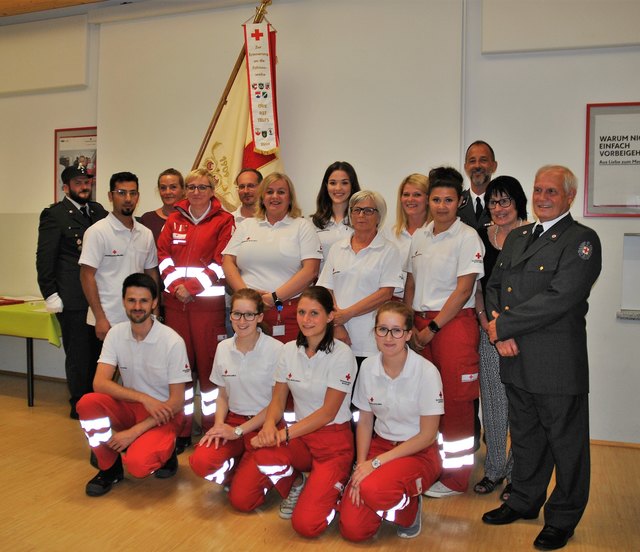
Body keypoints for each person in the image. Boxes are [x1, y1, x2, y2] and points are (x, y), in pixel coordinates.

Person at [482, 166, 602, 551]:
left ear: (569, 195)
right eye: (538, 190)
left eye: (552, 191)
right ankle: (523, 501)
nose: (543, 197)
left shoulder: (581, 240)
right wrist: (498, 332)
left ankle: (563, 518)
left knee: (567, 445)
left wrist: (505, 328)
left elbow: (560, 297)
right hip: (514, 357)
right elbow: (494, 285)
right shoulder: (517, 237)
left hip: (555, 362)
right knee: (528, 436)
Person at [236, 286, 356, 539]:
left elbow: (327, 413)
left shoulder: (343, 354)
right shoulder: (289, 349)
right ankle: (298, 482)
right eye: (302, 312)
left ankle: (334, 486)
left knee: (306, 525)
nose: (306, 320)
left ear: (330, 316)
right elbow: (278, 400)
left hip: (333, 441)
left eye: (314, 313)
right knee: (242, 499)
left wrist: (281, 435)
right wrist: (269, 426)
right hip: (301, 437)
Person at [404, 166, 484, 498]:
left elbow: (464, 290)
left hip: (452, 325)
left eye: (448, 200)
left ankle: (456, 478)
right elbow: (410, 282)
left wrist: (433, 328)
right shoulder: (420, 235)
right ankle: (434, 466)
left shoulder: (467, 237)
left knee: (456, 403)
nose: (441, 206)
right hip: (420, 323)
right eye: (435, 199)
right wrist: (410, 323)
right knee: (427, 401)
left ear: (459, 201)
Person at [77, 273, 191, 496]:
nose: (137, 306)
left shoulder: (172, 341)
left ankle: (165, 455)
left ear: (154, 303)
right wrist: (143, 398)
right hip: (132, 407)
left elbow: (177, 402)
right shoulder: (116, 334)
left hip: (164, 414)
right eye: (131, 300)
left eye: (144, 301)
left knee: (139, 467)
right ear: (123, 302)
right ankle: (109, 468)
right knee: (87, 403)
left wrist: (133, 433)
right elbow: (99, 383)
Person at [339, 301, 443, 541]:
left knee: (373, 490)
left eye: (397, 330)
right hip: (381, 447)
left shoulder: (426, 372)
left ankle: (409, 508)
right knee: (354, 530)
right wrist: (360, 466)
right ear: (374, 332)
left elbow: (427, 435)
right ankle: (382, 497)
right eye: (382, 329)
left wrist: (374, 466)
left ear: (408, 334)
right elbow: (365, 421)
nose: (388, 337)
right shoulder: (367, 367)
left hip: (418, 452)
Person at [157, 168, 235, 452]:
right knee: (181, 372)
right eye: (191, 187)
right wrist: (176, 285)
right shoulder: (174, 219)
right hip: (176, 307)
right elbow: (162, 256)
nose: (196, 192)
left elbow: (220, 261)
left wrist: (190, 287)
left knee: (209, 374)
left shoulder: (225, 221)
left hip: (207, 309)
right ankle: (181, 431)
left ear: (213, 190)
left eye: (202, 187)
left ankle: (212, 429)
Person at [189, 288, 283, 502]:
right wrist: (219, 425)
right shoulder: (223, 347)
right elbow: (222, 394)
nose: (242, 321)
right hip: (233, 421)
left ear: (259, 317)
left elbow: (276, 404)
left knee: (243, 501)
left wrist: (239, 431)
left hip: (264, 425)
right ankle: (239, 470)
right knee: (200, 461)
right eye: (236, 314)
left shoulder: (277, 350)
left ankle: (267, 473)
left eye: (249, 314)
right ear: (230, 315)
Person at [36, 165, 108, 419]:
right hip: (73, 297)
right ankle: (79, 404)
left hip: (99, 295)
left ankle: (97, 400)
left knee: (99, 352)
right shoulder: (55, 215)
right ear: (66, 187)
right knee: (79, 354)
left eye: (87, 182)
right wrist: (50, 294)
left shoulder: (98, 211)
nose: (84, 186)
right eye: (78, 182)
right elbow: (45, 258)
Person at [473, 176, 528, 501]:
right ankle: (494, 469)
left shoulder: (533, 236)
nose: (498, 208)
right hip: (489, 332)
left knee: (523, 407)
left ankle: (517, 473)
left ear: (518, 202)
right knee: (494, 405)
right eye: (493, 202)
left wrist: (514, 324)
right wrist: (485, 323)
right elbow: (477, 287)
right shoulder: (482, 237)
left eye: (505, 201)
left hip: (525, 334)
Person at [222, 172, 322, 344]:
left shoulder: (302, 226)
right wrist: (247, 296)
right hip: (247, 312)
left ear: (290, 197)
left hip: (285, 311)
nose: (274, 196)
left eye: (281, 192)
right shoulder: (247, 225)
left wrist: (273, 298)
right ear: (262, 197)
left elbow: (311, 270)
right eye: (269, 191)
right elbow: (228, 261)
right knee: (249, 364)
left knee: (286, 366)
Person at [318, 190, 403, 366]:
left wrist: (347, 314)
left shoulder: (389, 250)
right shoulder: (337, 248)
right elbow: (326, 288)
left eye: (368, 211)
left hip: (370, 341)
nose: (361, 215)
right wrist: (338, 324)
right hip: (337, 336)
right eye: (356, 210)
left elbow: (386, 293)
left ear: (379, 217)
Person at [79, 171, 159, 342]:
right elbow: (86, 276)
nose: (128, 198)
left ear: (138, 196)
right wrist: (100, 318)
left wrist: (155, 310)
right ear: (110, 196)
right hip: (107, 321)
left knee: (138, 369)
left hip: (138, 319)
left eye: (133, 193)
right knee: (105, 369)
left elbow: (151, 274)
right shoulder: (97, 232)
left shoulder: (145, 234)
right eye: (121, 193)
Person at [385, 173, 431, 299]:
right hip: (393, 303)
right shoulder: (388, 234)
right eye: (406, 195)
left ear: (428, 199)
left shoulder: (437, 234)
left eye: (417, 194)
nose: (410, 199)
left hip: (426, 303)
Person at [311, 161, 361, 266]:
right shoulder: (312, 224)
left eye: (344, 183)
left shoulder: (362, 221)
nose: (338, 188)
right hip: (321, 281)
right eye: (333, 183)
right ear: (326, 186)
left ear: (352, 186)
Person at [458, 140, 497, 229]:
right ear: (465, 167)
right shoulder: (456, 203)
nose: (477, 165)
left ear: (494, 166)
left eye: (483, 160)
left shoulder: (504, 204)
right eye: (472, 161)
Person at [139, 168, 185, 243]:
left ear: (183, 190)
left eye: (173, 187)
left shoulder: (190, 220)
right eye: (163, 188)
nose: (167, 192)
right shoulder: (147, 219)